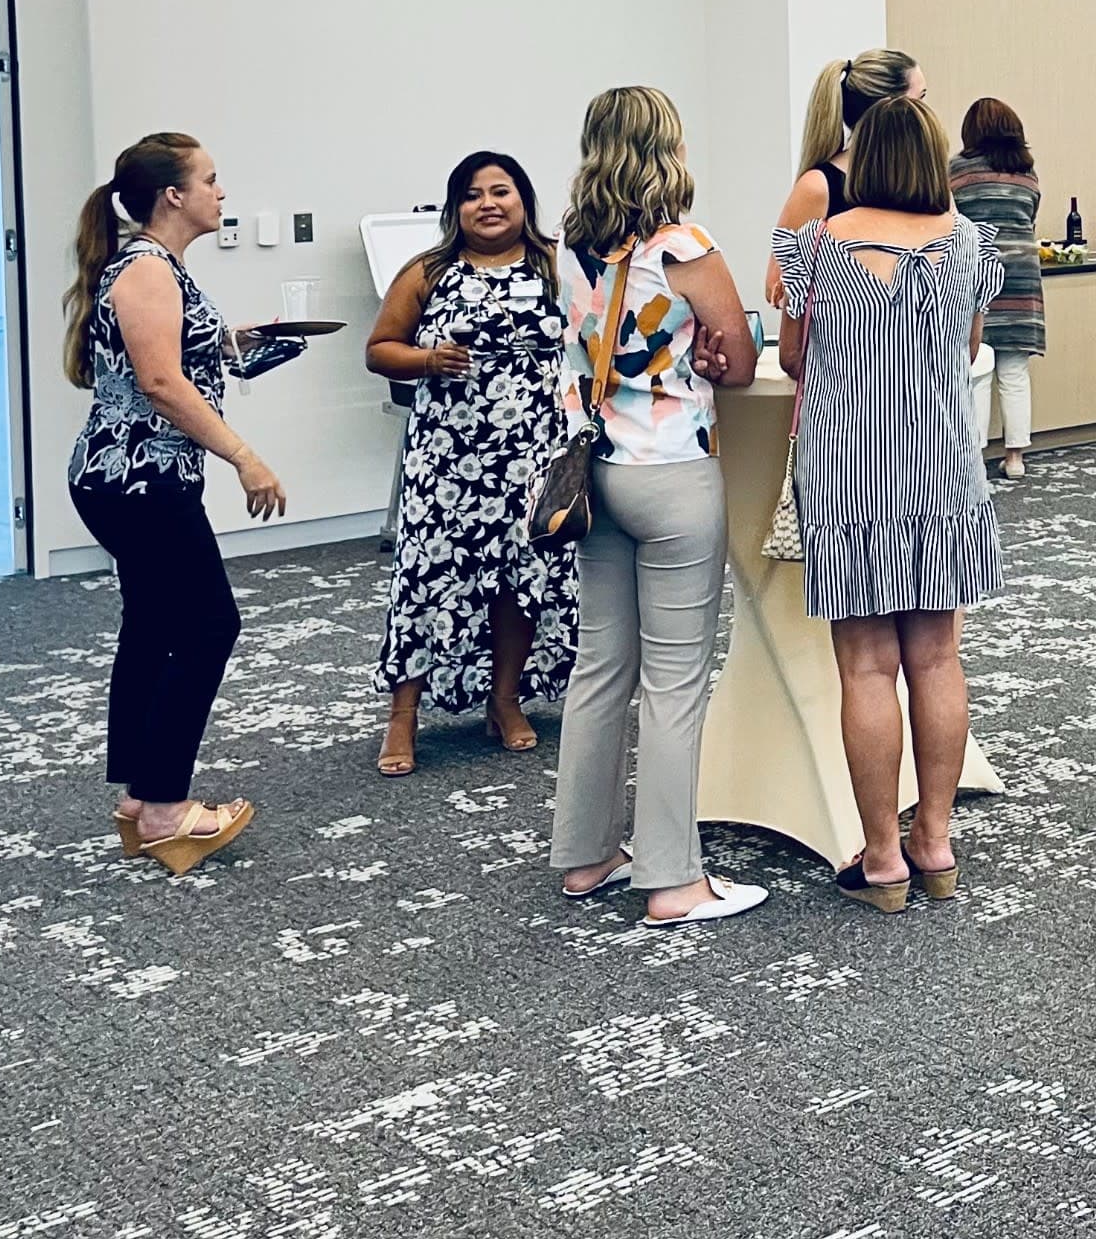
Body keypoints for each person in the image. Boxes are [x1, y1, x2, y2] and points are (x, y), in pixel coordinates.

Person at [773, 95, 1005, 910]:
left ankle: (880, 859)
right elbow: (970, 350)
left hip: (848, 470)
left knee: (866, 664)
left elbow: (793, 356)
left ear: (863, 158)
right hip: (942, 466)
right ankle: (934, 841)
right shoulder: (970, 242)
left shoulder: (814, 244)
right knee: (937, 658)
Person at [548, 85, 764, 930]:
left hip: (596, 470)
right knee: (674, 684)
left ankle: (586, 855)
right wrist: (710, 354)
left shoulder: (572, 248)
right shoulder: (683, 247)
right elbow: (736, 360)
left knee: (600, 669)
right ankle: (673, 881)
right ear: (666, 150)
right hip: (672, 474)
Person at [64, 133, 301, 874]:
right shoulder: (145, 269)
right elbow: (162, 385)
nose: (220, 192)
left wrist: (241, 343)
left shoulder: (155, 266)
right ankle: (166, 807)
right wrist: (245, 457)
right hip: (139, 481)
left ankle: (141, 800)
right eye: (210, 179)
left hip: (132, 477)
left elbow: (171, 357)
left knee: (154, 625)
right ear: (174, 195)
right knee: (208, 627)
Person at [364, 151, 573, 777]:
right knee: (428, 578)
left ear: (523, 200)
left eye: (501, 191)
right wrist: (427, 360)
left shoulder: (556, 263)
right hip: (448, 458)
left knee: (522, 577)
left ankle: (504, 701)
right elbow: (379, 350)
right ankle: (403, 715)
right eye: (472, 195)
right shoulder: (428, 270)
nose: (488, 204)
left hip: (532, 451)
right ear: (456, 209)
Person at [767, 46, 924, 303]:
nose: (927, 117)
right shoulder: (818, 187)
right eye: (920, 101)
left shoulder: (923, 182)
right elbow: (776, 285)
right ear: (889, 109)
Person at [950, 97, 1045, 483]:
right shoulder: (1027, 173)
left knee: (975, 370)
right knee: (1014, 371)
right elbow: (1030, 217)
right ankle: (1015, 458)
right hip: (1022, 278)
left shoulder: (957, 171)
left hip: (975, 277)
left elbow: (950, 221)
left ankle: (972, 460)